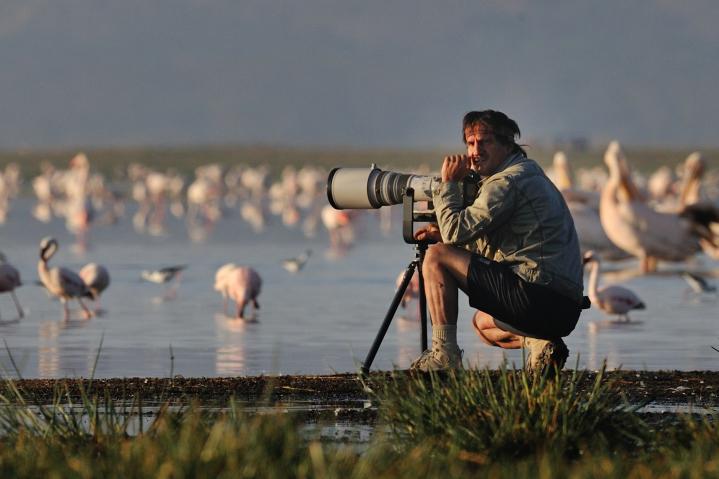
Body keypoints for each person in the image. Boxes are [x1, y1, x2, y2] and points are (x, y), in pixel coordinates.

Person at [410, 110, 589, 373]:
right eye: (470, 143)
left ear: (507, 143)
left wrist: (447, 185)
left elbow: (452, 234)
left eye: (484, 142)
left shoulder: (506, 182)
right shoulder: (528, 173)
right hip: (563, 309)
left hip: (538, 297)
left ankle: (443, 355)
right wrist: (458, 242)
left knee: (437, 255)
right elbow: (503, 248)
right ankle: (541, 344)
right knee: (483, 326)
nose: (474, 151)